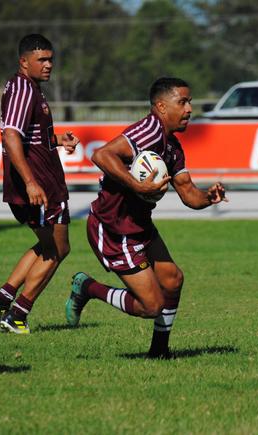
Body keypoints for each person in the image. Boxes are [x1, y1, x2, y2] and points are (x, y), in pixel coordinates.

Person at [64, 77, 227, 358]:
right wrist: (137, 184)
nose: (189, 109)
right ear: (162, 107)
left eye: (190, 102)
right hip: (113, 228)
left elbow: (188, 194)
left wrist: (208, 197)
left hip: (138, 225)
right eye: (183, 102)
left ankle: (159, 352)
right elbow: (102, 155)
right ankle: (88, 287)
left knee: (173, 280)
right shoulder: (148, 131)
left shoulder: (172, 146)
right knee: (151, 306)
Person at [0, 34, 79, 334]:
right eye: (42, 60)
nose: (49, 65)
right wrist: (32, 181)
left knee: (46, 245)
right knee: (58, 250)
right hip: (41, 187)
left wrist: (57, 140)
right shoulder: (24, 88)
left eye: (50, 59)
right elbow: (11, 136)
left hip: (30, 184)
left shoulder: (25, 86)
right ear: (24, 62)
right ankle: (18, 315)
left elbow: (28, 136)